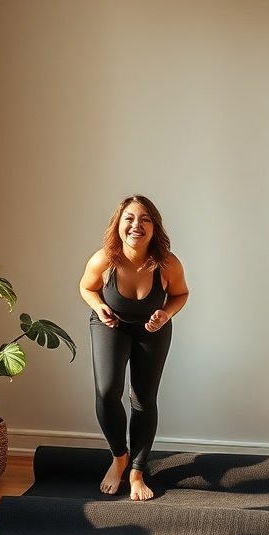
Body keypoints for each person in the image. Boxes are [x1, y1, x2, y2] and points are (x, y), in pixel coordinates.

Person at [79, 194, 189, 501]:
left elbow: (180, 295)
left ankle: (137, 472)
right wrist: (99, 306)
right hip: (109, 325)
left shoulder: (167, 263)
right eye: (129, 218)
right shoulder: (104, 259)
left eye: (144, 219)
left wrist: (166, 314)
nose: (136, 225)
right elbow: (86, 287)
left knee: (143, 399)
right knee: (107, 392)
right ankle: (119, 457)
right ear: (118, 224)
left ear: (154, 227)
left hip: (152, 331)